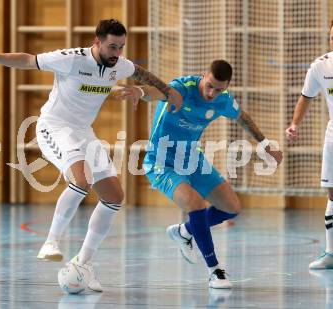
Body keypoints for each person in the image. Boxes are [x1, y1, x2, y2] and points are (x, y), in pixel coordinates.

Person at [0, 19, 183, 292]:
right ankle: (51, 241)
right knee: (82, 178)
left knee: (114, 196)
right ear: (96, 42)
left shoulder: (119, 65)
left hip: (82, 131)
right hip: (54, 126)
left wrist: (167, 92)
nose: (117, 53)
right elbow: (27, 60)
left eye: (121, 47)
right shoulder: (71, 60)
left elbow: (144, 75)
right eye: (112, 46)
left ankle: (83, 263)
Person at [116, 60, 283, 288]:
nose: (212, 93)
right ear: (204, 75)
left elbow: (243, 117)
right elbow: (158, 92)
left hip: (192, 159)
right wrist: (139, 90)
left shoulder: (223, 100)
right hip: (161, 162)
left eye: (219, 89)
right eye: (210, 86)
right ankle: (215, 270)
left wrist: (265, 143)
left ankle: (185, 231)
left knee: (232, 207)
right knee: (196, 204)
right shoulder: (183, 88)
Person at [286, 21, 333, 269]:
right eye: (332, 37)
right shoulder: (320, 65)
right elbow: (306, 97)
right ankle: (331, 254)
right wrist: (295, 124)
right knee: (332, 192)